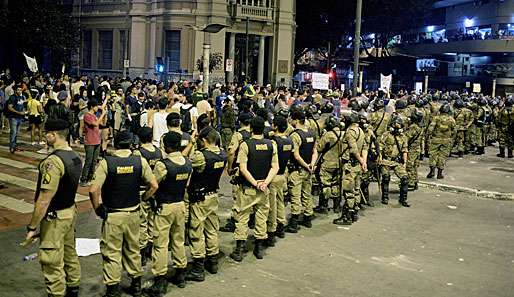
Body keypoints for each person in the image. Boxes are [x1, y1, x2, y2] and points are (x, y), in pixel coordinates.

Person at [88, 130, 158, 297]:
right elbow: (154, 185)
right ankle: (136, 285)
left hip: (113, 215)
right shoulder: (139, 161)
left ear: (116, 144)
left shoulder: (107, 163)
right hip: (133, 213)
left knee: (112, 252)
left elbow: (93, 190)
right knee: (133, 249)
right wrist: (145, 198)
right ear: (131, 144)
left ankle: (113, 289)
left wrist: (98, 208)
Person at [24, 119, 82, 297]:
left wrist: (32, 227)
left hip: (55, 217)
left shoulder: (53, 162)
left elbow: (44, 199)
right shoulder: (74, 156)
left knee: (51, 259)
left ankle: (57, 293)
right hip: (69, 211)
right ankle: (73, 286)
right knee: (70, 252)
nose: (44, 136)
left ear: (54, 135)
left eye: (46, 133)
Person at [145, 132, 192, 295]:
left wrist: (146, 198)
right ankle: (180, 274)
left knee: (160, 244)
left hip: (164, 207)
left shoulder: (163, 165)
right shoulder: (187, 162)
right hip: (180, 205)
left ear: (166, 146)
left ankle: (160, 280)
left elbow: (154, 185)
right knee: (178, 241)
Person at [230, 116, 279, 262]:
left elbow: (243, 168)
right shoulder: (271, 145)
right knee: (261, 218)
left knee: (242, 217)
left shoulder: (246, 145)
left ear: (251, 128)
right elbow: (275, 167)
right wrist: (264, 183)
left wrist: (254, 183)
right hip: (264, 188)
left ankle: (239, 250)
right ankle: (259, 248)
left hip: (248, 189)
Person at [186, 127, 227, 281]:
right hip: (213, 195)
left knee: (196, 232)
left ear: (203, 140)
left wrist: (191, 144)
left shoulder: (201, 156)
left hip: (200, 198)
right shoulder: (222, 154)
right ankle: (213, 261)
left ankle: (198, 268)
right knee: (211, 229)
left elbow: (184, 162)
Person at [132, 127, 163, 267]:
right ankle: (151, 248)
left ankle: (142, 252)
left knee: (142, 222)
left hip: (142, 190)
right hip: (156, 190)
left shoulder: (138, 153)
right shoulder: (158, 151)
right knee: (152, 220)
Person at [285, 109, 318, 232]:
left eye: (292, 119)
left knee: (295, 196)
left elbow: (296, 155)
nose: (291, 121)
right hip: (308, 171)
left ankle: (294, 223)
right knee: (307, 194)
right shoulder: (311, 133)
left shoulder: (295, 135)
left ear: (296, 120)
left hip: (298, 171)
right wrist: (311, 165)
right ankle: (308, 217)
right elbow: (315, 151)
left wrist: (305, 165)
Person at [333, 111, 367, 225]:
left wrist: (361, 160)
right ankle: (354, 213)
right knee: (356, 190)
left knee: (348, 190)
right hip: (357, 165)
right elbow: (364, 147)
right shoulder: (361, 131)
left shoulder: (350, 132)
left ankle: (347, 216)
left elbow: (353, 149)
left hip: (350, 165)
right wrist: (363, 161)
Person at [267, 115, 293, 242]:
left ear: (276, 126)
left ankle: (271, 231)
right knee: (281, 202)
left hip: (273, 176)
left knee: (272, 205)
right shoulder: (289, 141)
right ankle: (281, 226)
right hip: (283, 175)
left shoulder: (273, 142)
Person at [378, 115, 410, 207]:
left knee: (405, 178)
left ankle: (403, 199)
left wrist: (404, 163)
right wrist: (380, 158)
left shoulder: (403, 137)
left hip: (396, 162)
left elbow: (405, 150)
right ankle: (385, 197)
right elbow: (380, 147)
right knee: (386, 177)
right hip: (386, 160)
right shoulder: (386, 135)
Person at [314, 115, 343, 214]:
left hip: (327, 163)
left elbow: (319, 148)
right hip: (339, 163)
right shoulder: (343, 134)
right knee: (336, 184)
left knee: (325, 184)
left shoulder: (328, 135)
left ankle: (323, 206)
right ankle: (337, 206)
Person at [80, 99, 107, 186]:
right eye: (96, 106)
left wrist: (104, 115)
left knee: (94, 161)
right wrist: (102, 114)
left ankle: (90, 178)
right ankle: (83, 179)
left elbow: (102, 124)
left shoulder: (95, 115)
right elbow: (95, 124)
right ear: (92, 107)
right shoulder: (87, 116)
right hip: (90, 141)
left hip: (97, 141)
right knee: (89, 161)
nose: (97, 108)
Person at [427, 104, 456, 179]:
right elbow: (454, 131)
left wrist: (429, 136)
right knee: (442, 156)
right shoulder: (451, 119)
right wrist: (450, 138)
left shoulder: (436, 118)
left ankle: (432, 171)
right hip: (446, 140)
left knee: (433, 155)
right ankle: (440, 173)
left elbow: (430, 129)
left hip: (435, 139)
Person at [405, 110, 424, 191]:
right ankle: (415, 182)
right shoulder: (420, 127)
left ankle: (411, 183)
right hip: (417, 149)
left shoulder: (413, 127)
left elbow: (407, 137)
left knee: (409, 166)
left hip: (412, 150)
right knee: (415, 167)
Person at [6, 84, 26, 153]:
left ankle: (14, 146)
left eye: (20, 90)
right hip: (13, 118)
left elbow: (22, 106)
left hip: (19, 118)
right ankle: (12, 147)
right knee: (13, 133)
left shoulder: (22, 97)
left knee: (16, 133)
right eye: (18, 90)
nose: (19, 91)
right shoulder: (13, 97)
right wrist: (18, 112)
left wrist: (23, 111)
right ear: (15, 90)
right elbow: (9, 107)